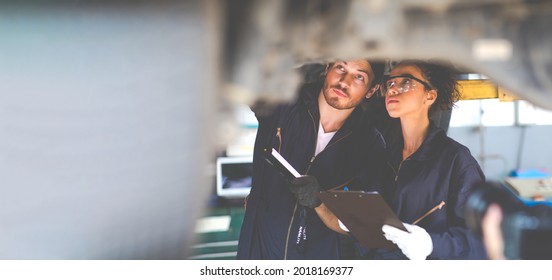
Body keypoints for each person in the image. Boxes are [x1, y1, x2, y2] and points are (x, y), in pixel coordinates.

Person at [236, 59, 385, 259]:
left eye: (359, 76)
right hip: (257, 249)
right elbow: (241, 77)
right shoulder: (284, 99)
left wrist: (319, 202)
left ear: (371, 90)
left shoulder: (370, 144)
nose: (344, 81)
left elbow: (359, 225)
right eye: (340, 67)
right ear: (327, 68)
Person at [364, 60, 487, 259]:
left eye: (406, 82)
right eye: (391, 83)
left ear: (429, 96)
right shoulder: (382, 157)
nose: (393, 89)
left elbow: (481, 240)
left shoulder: (456, 160)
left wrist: (432, 244)